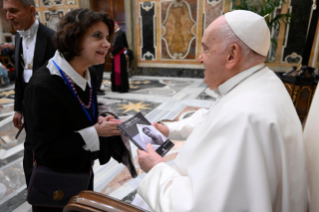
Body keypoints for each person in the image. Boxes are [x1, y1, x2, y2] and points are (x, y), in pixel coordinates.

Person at [136, 10, 307, 212]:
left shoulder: (243, 117)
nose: (200, 58)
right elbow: (213, 116)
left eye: (206, 49)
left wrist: (155, 169)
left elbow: (199, 207)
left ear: (232, 55)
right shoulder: (261, 82)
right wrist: (169, 129)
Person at [23, 8, 121, 212]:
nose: (107, 44)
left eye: (107, 37)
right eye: (97, 36)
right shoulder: (43, 86)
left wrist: (102, 117)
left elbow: (83, 109)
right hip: (54, 181)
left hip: (82, 171)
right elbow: (45, 150)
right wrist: (95, 133)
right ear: (74, 39)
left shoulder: (89, 73)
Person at [3, 0, 55, 187]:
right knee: (30, 160)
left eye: (13, 11)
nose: (8, 16)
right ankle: (36, 195)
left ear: (31, 10)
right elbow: (20, 79)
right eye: (6, 11)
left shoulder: (51, 38)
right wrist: (18, 108)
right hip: (29, 111)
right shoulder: (17, 37)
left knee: (49, 159)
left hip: (50, 114)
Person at [110, 22, 129, 92]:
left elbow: (120, 46)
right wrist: (111, 52)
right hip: (116, 55)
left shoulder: (121, 33)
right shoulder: (116, 34)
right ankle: (116, 87)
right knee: (116, 72)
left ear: (115, 26)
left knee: (119, 71)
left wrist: (112, 53)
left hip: (119, 56)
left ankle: (121, 88)